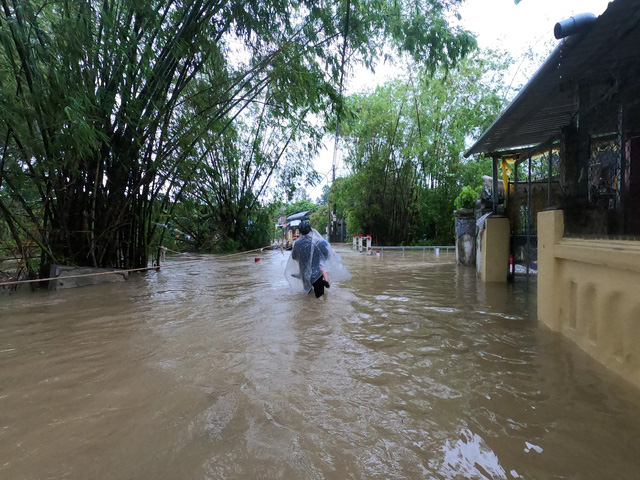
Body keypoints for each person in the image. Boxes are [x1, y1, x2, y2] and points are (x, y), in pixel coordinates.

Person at [289, 220, 331, 297]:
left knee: (308, 296)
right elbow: (327, 256)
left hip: (305, 273)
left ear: (300, 231)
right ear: (310, 229)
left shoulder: (298, 243)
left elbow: (294, 257)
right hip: (317, 274)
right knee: (320, 298)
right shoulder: (320, 242)